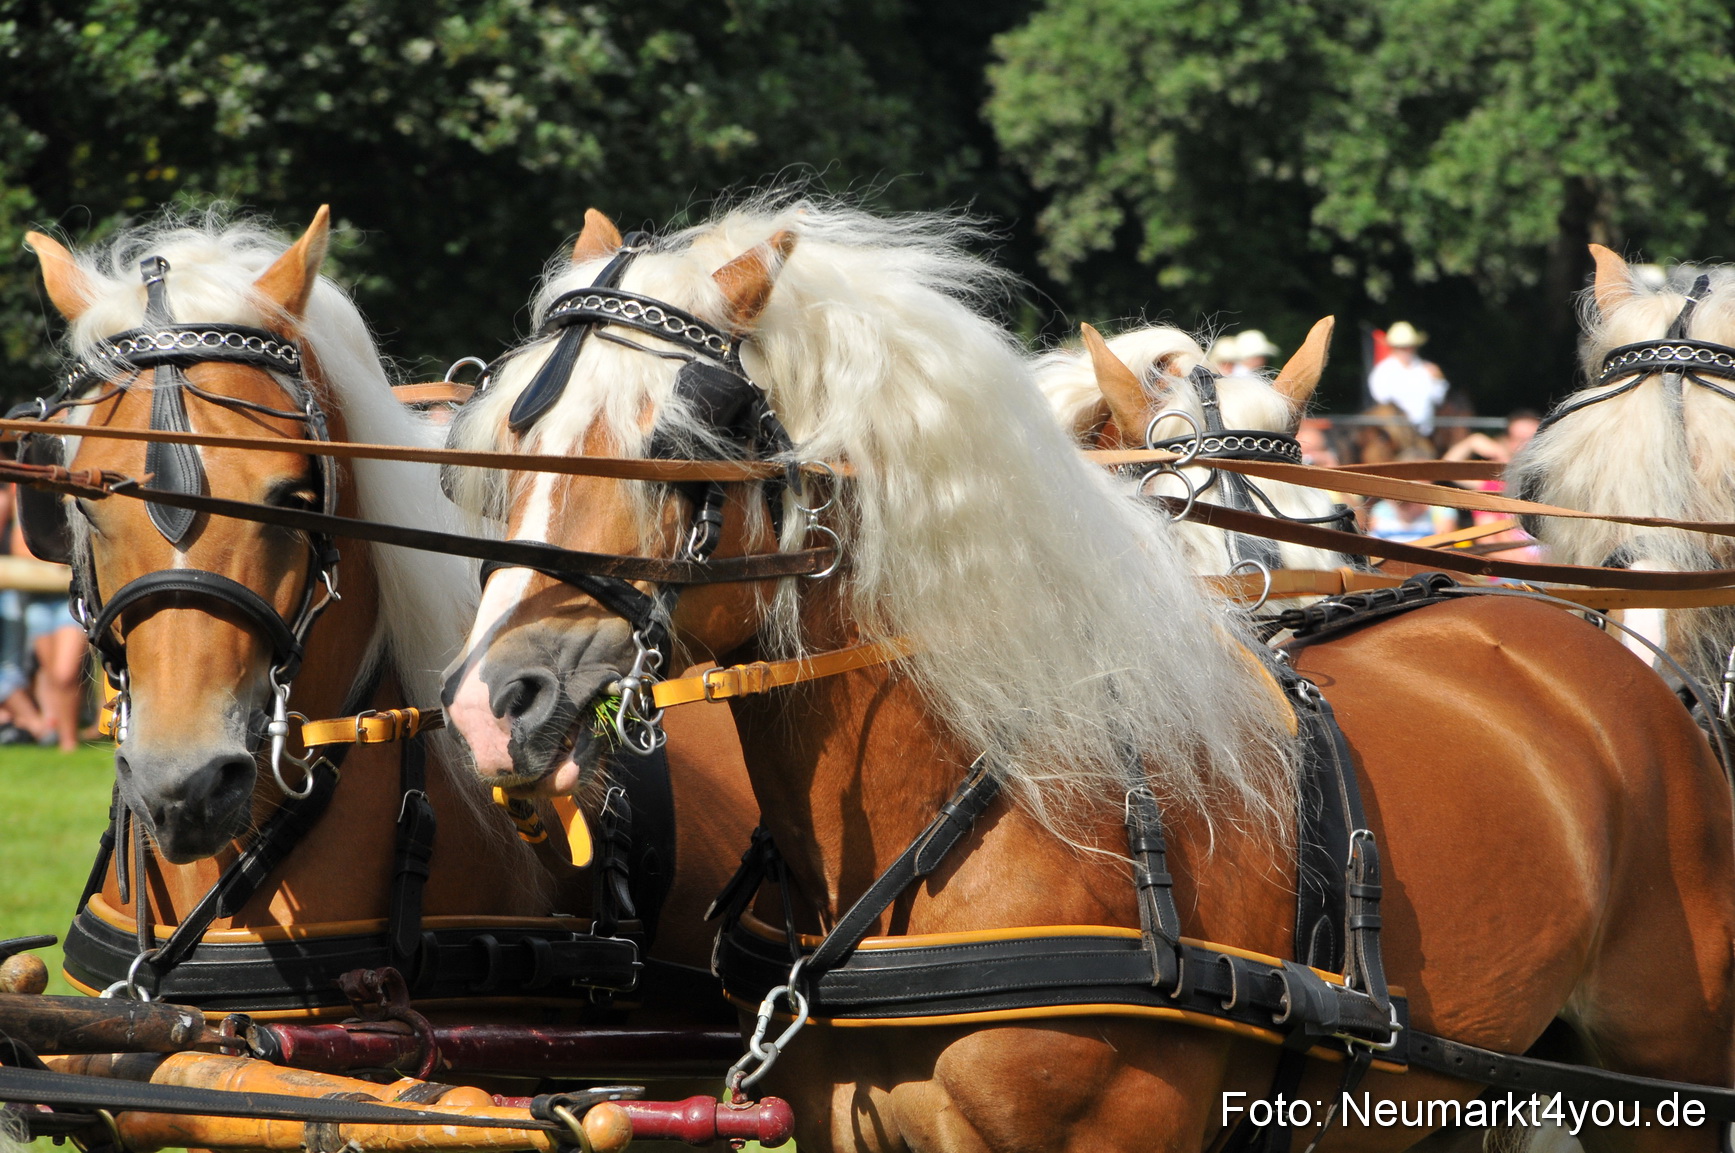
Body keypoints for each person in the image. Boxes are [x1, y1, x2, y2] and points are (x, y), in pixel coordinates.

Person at [1368, 321, 1448, 434]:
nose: (1407, 350)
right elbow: (1383, 402)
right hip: (1396, 435)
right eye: (1402, 347)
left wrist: (1439, 380)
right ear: (1393, 347)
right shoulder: (1382, 372)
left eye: (1410, 346)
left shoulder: (1428, 370)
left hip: (1426, 433)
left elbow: (1439, 398)